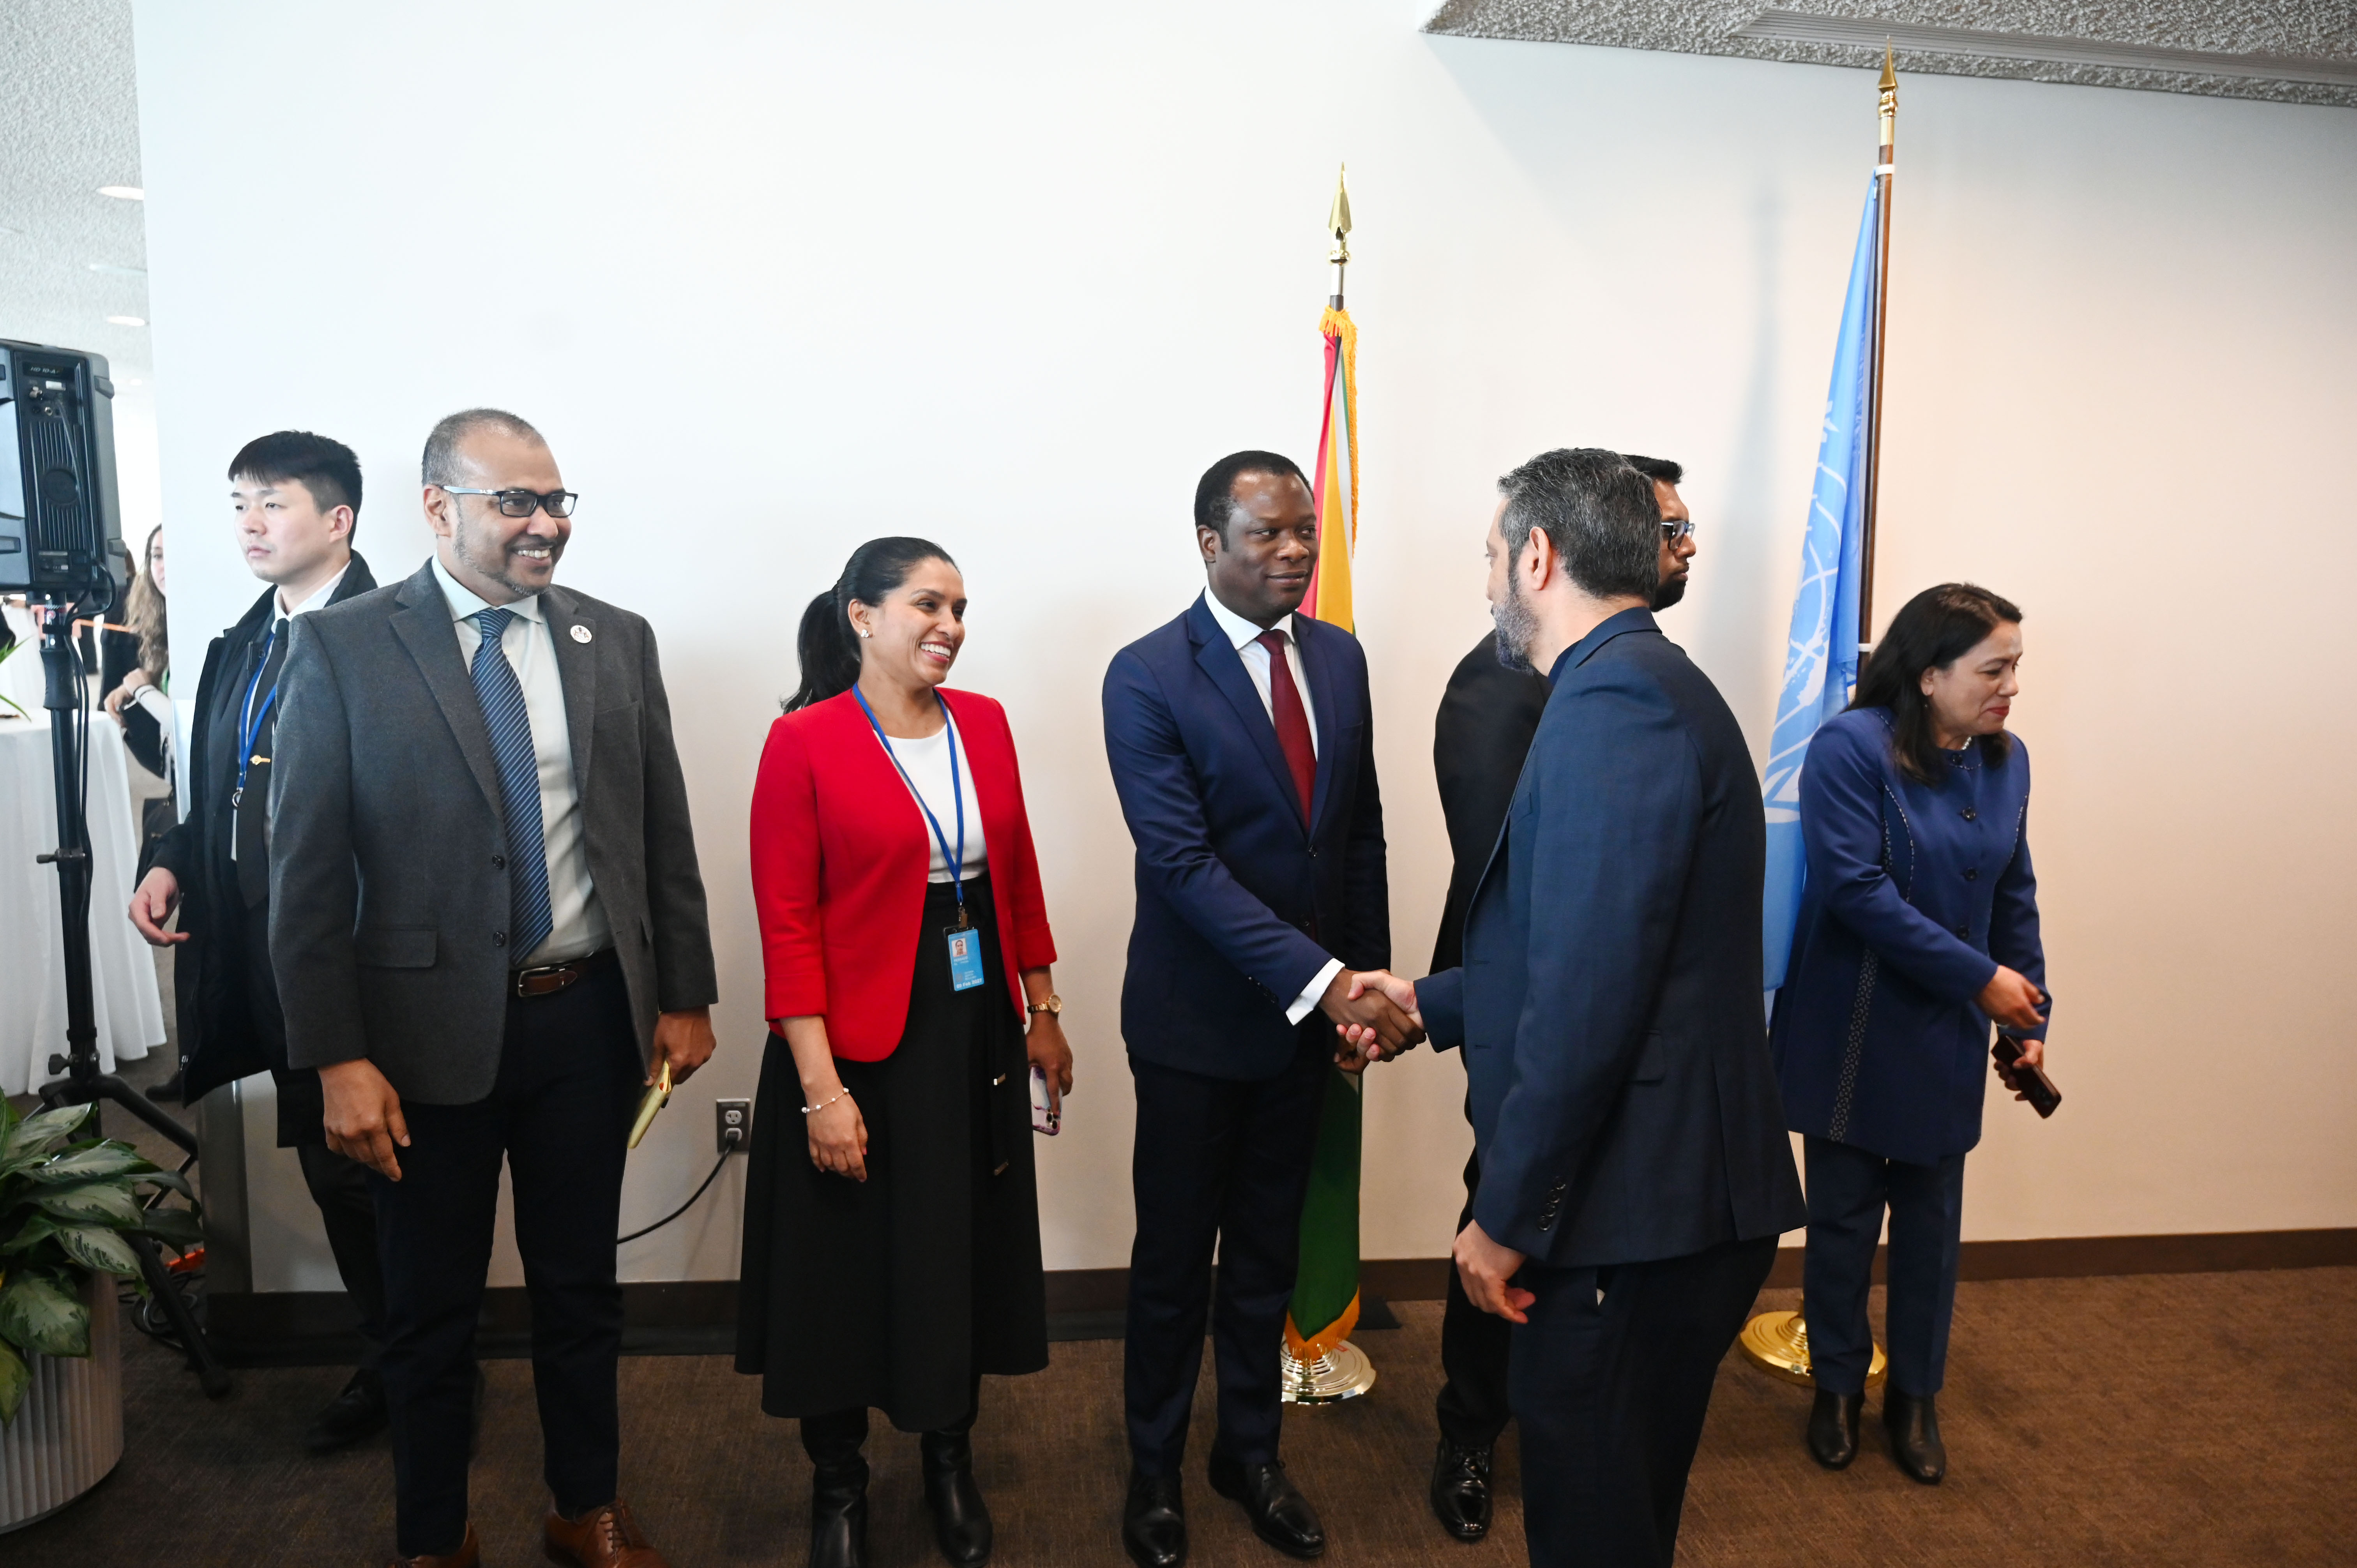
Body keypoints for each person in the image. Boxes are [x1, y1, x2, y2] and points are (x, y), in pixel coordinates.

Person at [268, 408, 718, 1568]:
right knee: (428, 1318)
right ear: (439, 508)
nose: (545, 523)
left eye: (557, 499)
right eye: (516, 501)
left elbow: (658, 834)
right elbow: (305, 881)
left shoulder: (614, 640)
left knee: (582, 1292)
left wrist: (686, 992)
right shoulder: (345, 647)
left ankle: (585, 1509)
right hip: (418, 1045)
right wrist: (335, 1058)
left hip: (587, 1022)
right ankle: (434, 1537)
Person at [1357, 448, 1805, 1568]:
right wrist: (1433, 997)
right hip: (1652, 1202)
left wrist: (1505, 1220)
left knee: (1596, 1525)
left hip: (1638, 1212)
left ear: (1539, 557)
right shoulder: (1625, 688)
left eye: (1492, 557)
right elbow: (1587, 946)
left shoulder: (1617, 711)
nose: (1488, 582)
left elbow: (1592, 1001)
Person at [1101, 450, 1420, 1568]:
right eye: (1266, 536)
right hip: (1195, 1030)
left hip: (1312, 1029)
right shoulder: (1145, 675)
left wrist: (1365, 991)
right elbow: (1184, 869)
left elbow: (1360, 832)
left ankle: (1249, 1455)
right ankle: (1152, 1474)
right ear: (1208, 543)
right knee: (1173, 1265)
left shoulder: (1339, 658)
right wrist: (1324, 981)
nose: (1292, 552)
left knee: (1268, 1263)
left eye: (1304, 533)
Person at [742, 537, 1071, 1568]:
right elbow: (786, 922)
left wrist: (1043, 1005)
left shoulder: (986, 724)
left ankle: (948, 1459)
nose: (951, 627)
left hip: (968, 1023)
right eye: (928, 605)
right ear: (861, 616)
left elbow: (1012, 869)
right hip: (850, 1040)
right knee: (841, 1264)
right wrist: (819, 1091)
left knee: (955, 1245)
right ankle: (838, 1483)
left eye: (962, 608)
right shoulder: (803, 741)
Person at [1423, 454, 1695, 1540]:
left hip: (1610, 1056)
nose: (1683, 547)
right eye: (1668, 527)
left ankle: (1566, 1431)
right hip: (1532, 1036)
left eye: (1682, 528)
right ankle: (1469, 1429)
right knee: (1504, 1211)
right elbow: (1545, 922)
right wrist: (1437, 1005)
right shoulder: (1515, 683)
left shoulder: (1631, 680)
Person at [126, 434, 389, 1451]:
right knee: (334, 1172)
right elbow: (227, 785)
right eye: (239, 504)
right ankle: (392, 1353)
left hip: (368, 965)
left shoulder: (393, 636)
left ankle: (420, 1368)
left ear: (338, 521)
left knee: (384, 1175)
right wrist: (172, 857)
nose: (246, 524)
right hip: (269, 961)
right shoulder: (240, 639)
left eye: (271, 505)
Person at [1769, 583, 2049, 1485]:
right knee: (1845, 1221)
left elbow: (2014, 893)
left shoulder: (2008, 761)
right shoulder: (1850, 748)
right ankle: (1839, 1387)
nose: (2011, 685)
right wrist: (1984, 982)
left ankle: (1915, 1397)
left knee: (1932, 1226)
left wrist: (2033, 1014)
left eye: (2016, 667)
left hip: (1947, 1033)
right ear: (1930, 674)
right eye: (1993, 667)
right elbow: (1855, 892)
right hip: (1852, 1022)